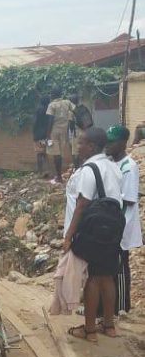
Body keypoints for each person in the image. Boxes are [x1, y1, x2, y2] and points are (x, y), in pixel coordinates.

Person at [63, 127, 123, 341]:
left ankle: (89, 330)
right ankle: (109, 326)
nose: (78, 147)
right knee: (107, 276)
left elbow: (82, 204)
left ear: (92, 146)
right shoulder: (113, 166)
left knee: (93, 279)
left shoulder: (90, 169)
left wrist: (68, 236)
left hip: (93, 230)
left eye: (81, 143)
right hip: (114, 227)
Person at [105, 125, 142, 315]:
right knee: (110, 265)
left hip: (121, 224)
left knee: (120, 266)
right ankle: (109, 306)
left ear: (122, 143)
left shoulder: (129, 166)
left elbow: (127, 200)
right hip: (111, 222)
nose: (108, 145)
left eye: (112, 142)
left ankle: (122, 307)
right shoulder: (112, 163)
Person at [46, 88, 75, 182]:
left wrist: (47, 134)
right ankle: (59, 176)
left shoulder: (52, 105)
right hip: (64, 131)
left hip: (54, 131)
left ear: (52, 95)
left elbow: (50, 120)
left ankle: (59, 177)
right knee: (60, 153)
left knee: (56, 154)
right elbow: (76, 110)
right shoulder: (67, 102)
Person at [32, 96, 50, 175]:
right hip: (45, 134)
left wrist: (33, 131)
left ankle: (40, 172)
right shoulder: (48, 110)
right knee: (44, 152)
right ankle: (48, 170)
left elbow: (35, 122)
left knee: (39, 153)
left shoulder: (38, 110)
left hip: (38, 134)